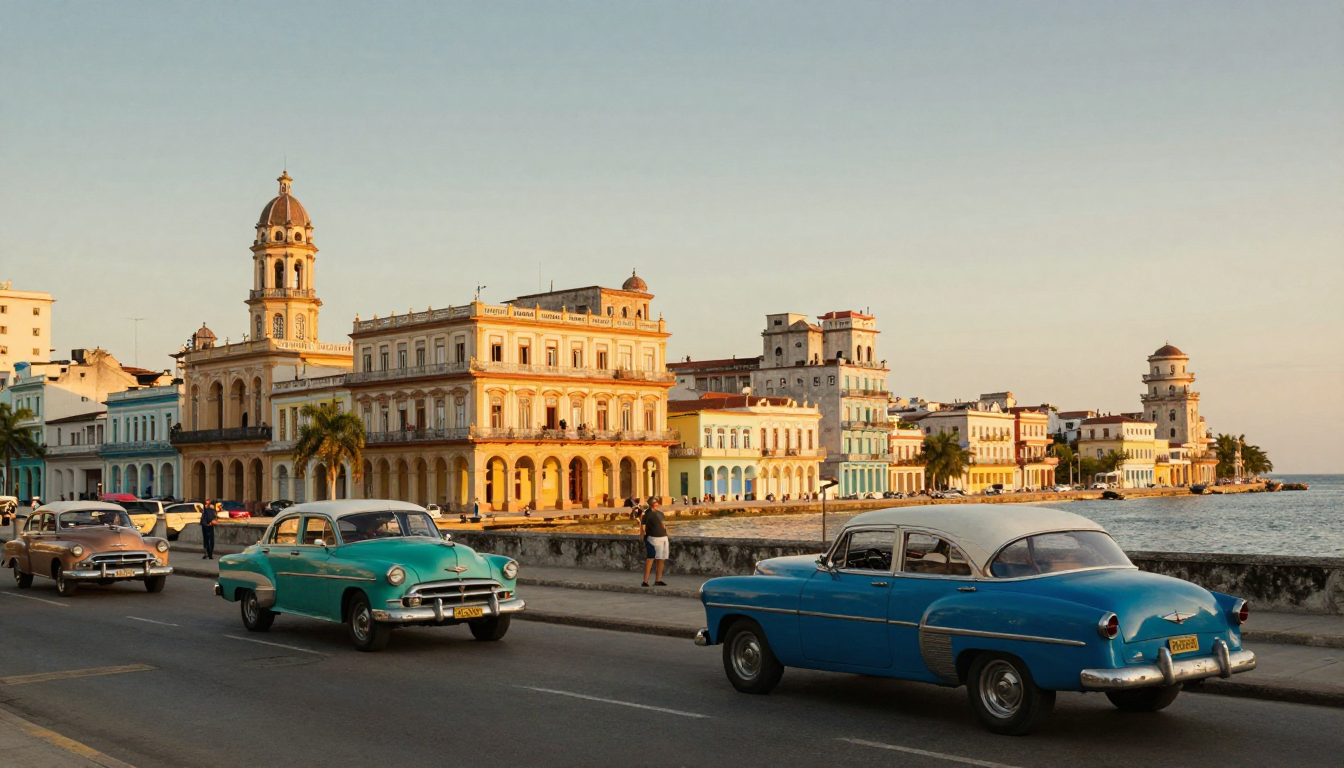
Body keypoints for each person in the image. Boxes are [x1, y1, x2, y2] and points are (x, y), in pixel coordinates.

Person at [640, 498, 669, 587]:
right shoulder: (647, 515)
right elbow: (643, 528)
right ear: (651, 504)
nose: (657, 504)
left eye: (657, 502)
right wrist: (642, 538)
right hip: (653, 538)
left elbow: (663, 525)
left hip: (663, 537)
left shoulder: (660, 514)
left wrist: (666, 534)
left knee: (661, 559)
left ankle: (658, 580)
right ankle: (645, 581)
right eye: (655, 503)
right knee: (651, 558)